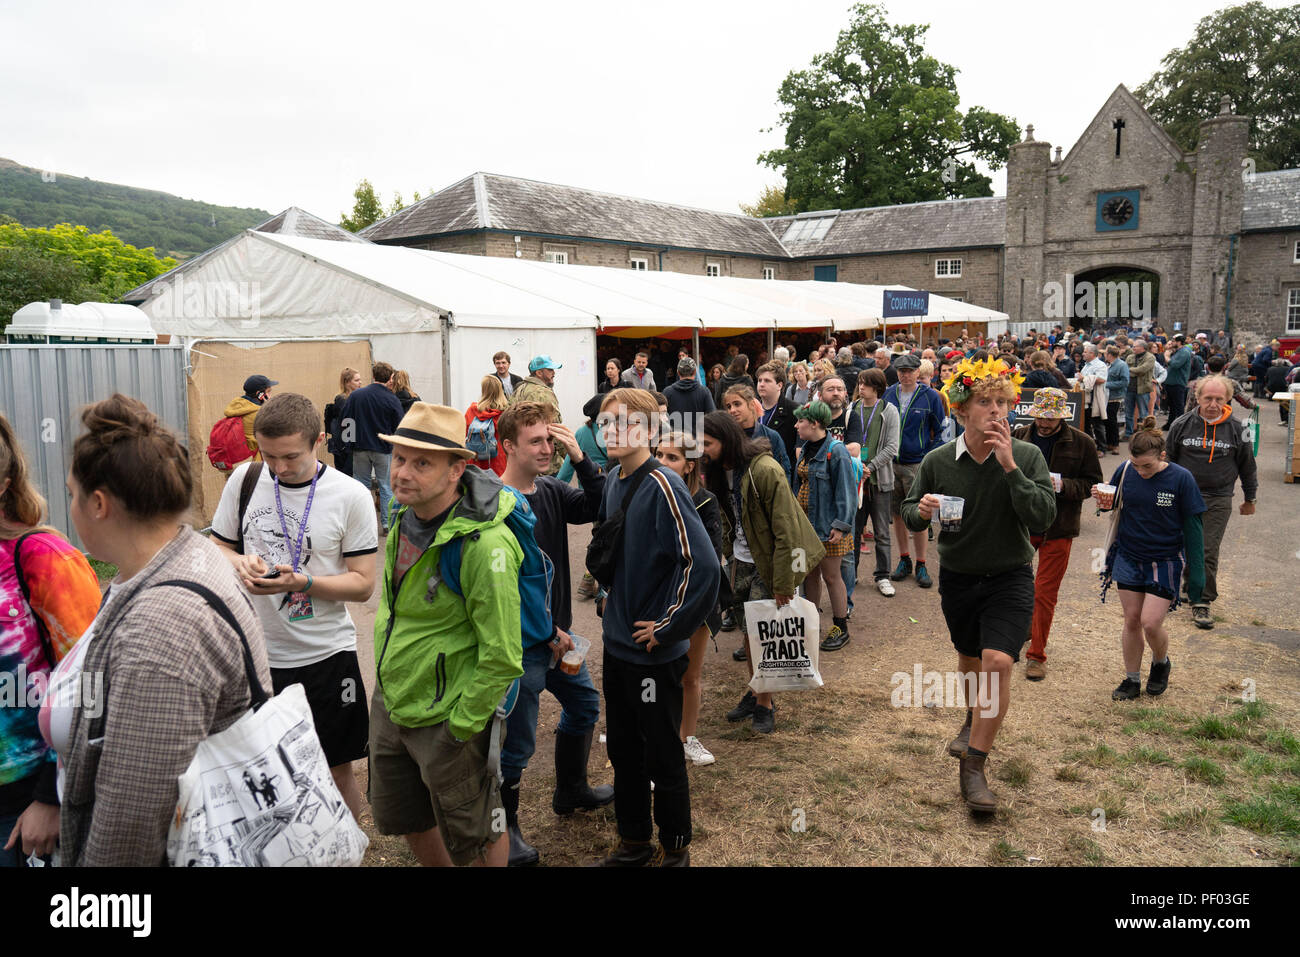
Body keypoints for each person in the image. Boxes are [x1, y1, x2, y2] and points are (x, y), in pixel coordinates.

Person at [59, 394, 273, 865]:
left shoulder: (163, 627)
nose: (69, 505)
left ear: (98, 503)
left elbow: (132, 819)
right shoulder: (181, 555)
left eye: (71, 493)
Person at [367, 402, 524, 867]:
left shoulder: (484, 544)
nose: (403, 473)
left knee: (474, 827)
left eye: (421, 462)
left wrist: (461, 727)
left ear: (458, 469)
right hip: (394, 699)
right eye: (398, 459)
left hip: (449, 714)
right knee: (407, 815)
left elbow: (503, 654)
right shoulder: (402, 515)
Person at [211, 392, 378, 821]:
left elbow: (362, 585)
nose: (279, 468)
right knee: (264, 771)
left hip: (326, 655)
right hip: (255, 655)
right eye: (268, 456)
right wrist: (242, 562)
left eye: (291, 457)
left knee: (335, 769)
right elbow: (219, 549)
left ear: (319, 440)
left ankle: (342, 851)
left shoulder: (351, 495)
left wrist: (303, 581)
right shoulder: (244, 480)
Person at [901, 358, 1056, 814]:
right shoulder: (937, 461)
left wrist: (1010, 467)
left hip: (1010, 575)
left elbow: (1043, 517)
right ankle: (973, 718)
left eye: (1002, 403)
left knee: (997, 661)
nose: (996, 411)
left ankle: (974, 766)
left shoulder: (1027, 456)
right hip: (960, 577)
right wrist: (922, 511)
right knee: (970, 657)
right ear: (961, 410)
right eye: (984, 403)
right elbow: (909, 510)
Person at [592, 389, 719, 866]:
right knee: (624, 753)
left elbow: (703, 566)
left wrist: (667, 627)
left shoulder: (665, 484)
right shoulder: (611, 480)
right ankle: (634, 843)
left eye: (623, 423)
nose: (612, 433)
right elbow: (613, 550)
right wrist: (608, 594)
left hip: (653, 655)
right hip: (617, 648)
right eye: (606, 424)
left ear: (647, 430)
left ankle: (675, 849)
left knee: (663, 756)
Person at [496, 402, 612, 866]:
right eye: (536, 441)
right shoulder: (495, 502)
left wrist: (581, 458)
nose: (546, 449)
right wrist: (542, 632)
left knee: (584, 706)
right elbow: (501, 586)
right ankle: (507, 831)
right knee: (516, 743)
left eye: (550, 439)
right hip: (521, 645)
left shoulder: (549, 490)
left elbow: (599, 504)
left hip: (559, 639)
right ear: (507, 446)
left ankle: (571, 790)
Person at [0, 414, 101, 867]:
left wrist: (51, 797)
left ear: (4, 483)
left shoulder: (42, 557)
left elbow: (93, 684)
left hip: (21, 798)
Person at [702, 411, 823, 735]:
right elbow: (727, 519)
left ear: (726, 442)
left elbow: (787, 530)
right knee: (747, 632)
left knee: (763, 635)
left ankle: (765, 705)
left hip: (768, 564)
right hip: (740, 562)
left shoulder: (765, 470)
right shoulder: (716, 471)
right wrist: (728, 556)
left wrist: (784, 583)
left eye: (708, 443)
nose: (702, 450)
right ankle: (755, 690)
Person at [1095, 417, 1205, 700]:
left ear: (1163, 456)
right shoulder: (1126, 470)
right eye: (1136, 464)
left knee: (1150, 623)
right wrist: (1102, 499)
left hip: (1165, 559)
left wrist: (1196, 575)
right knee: (1131, 620)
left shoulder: (1181, 478)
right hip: (1129, 555)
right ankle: (1131, 679)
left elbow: (1194, 528)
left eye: (1148, 466)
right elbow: (1113, 501)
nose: (1141, 471)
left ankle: (1160, 662)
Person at [1011, 388, 1103, 681]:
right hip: (1022, 524)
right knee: (1015, 586)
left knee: (1045, 593)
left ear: (1062, 417)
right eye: (1040, 416)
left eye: (1050, 418)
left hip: (1059, 527)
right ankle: (1023, 629)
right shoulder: (1020, 436)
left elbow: (1092, 484)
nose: (1044, 423)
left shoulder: (1083, 442)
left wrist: (1062, 487)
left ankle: (1036, 655)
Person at [656, 431, 724, 768]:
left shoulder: (706, 503)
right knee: (656, 675)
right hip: (656, 601)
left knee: (690, 675)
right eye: (659, 455)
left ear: (689, 466)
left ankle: (688, 737)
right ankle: (657, 738)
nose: (663, 463)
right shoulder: (650, 494)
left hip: (694, 604)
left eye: (672, 458)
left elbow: (708, 559)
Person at [1166, 375, 1257, 629]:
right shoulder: (1180, 425)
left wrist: (1250, 498)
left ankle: (1202, 601)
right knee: (1182, 543)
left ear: (1228, 399)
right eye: (1208, 398)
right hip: (1183, 496)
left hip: (1218, 498)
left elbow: (1248, 467)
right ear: (1198, 398)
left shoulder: (1241, 429)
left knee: (1206, 549)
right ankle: (1189, 583)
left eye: (1219, 399)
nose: (1214, 404)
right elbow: (1168, 461)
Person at [792, 401, 857, 651]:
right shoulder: (807, 448)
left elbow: (847, 492)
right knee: (809, 575)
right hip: (806, 526)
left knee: (831, 577)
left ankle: (841, 628)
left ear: (815, 423)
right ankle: (811, 624)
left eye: (801, 421)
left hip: (829, 528)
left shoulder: (836, 451)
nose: (797, 426)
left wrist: (840, 525)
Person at [884, 354, 945, 588]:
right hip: (892, 463)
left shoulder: (930, 396)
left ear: (918, 372)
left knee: (921, 514)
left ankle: (921, 563)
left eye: (909, 371)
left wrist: (929, 455)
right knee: (898, 514)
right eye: (901, 371)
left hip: (916, 463)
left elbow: (941, 429)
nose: (905, 375)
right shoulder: (890, 393)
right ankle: (904, 559)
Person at [851, 368, 900, 599]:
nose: (861, 387)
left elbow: (892, 447)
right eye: (860, 383)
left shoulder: (889, 411)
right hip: (856, 478)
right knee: (854, 530)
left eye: (867, 384)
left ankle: (883, 576)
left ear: (877, 387)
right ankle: (850, 573)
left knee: (882, 532)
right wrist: (858, 467)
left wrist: (870, 467)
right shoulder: (852, 409)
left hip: (879, 480)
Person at [341, 361, 405, 533]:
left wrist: (349, 443)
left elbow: (346, 420)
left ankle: (363, 523)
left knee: (361, 486)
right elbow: (399, 425)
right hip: (384, 449)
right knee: (385, 486)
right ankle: (386, 524)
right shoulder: (391, 399)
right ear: (390, 378)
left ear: (373, 376)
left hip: (360, 447)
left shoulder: (356, 396)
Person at [723, 384, 792, 485]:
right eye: (729, 406)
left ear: (751, 404)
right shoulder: (726, 437)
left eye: (737, 404)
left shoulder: (770, 436)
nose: (732, 410)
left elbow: (784, 473)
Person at [511, 355, 566, 475]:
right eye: (550, 370)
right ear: (539, 373)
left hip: (524, 458)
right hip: (545, 462)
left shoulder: (520, 389)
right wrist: (568, 455)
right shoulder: (542, 393)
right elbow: (553, 427)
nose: (554, 373)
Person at [219, 373, 278, 468]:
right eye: (268, 392)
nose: (270, 395)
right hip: (255, 466)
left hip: (238, 462)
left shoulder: (237, 407)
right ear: (260, 394)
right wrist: (268, 404)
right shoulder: (260, 414)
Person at [465, 374, 510, 477]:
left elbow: (464, 433)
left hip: (476, 460)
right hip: (498, 461)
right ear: (500, 390)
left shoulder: (472, 411)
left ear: (483, 390)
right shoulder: (505, 414)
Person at [755, 361, 798, 465]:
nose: (761, 384)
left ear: (779, 385)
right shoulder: (751, 410)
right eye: (759, 380)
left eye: (767, 381)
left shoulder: (794, 411)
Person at [663, 356, 716, 434]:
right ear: (695, 372)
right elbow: (712, 418)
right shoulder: (704, 392)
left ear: (678, 372)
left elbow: (661, 419)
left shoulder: (667, 392)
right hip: (697, 441)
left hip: (674, 441)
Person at [1079, 343, 1109, 452]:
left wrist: (1084, 378)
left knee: (1097, 425)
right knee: (1086, 425)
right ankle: (1090, 448)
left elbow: (1102, 379)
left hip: (1095, 399)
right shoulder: (1086, 365)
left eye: (1085, 352)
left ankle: (1102, 448)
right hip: (1086, 399)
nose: (1083, 354)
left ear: (1092, 353)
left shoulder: (1100, 365)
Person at [1125, 340, 1156, 437]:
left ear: (1142, 347)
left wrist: (1130, 370)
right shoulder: (1130, 357)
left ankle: (1145, 434)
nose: (1133, 348)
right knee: (1128, 413)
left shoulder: (1150, 357)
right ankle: (1128, 433)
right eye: (1133, 346)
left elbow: (1143, 370)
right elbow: (1125, 370)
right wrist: (1134, 371)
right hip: (1129, 389)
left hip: (1143, 389)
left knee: (1143, 414)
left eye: (1135, 346)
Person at [1103, 344, 1128, 453]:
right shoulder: (1109, 364)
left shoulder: (1122, 365)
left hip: (1115, 397)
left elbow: (1125, 382)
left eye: (1105, 353)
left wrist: (1106, 384)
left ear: (1109, 354)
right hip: (1107, 397)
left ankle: (1115, 445)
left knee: (1112, 421)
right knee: (1107, 421)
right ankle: (1109, 443)